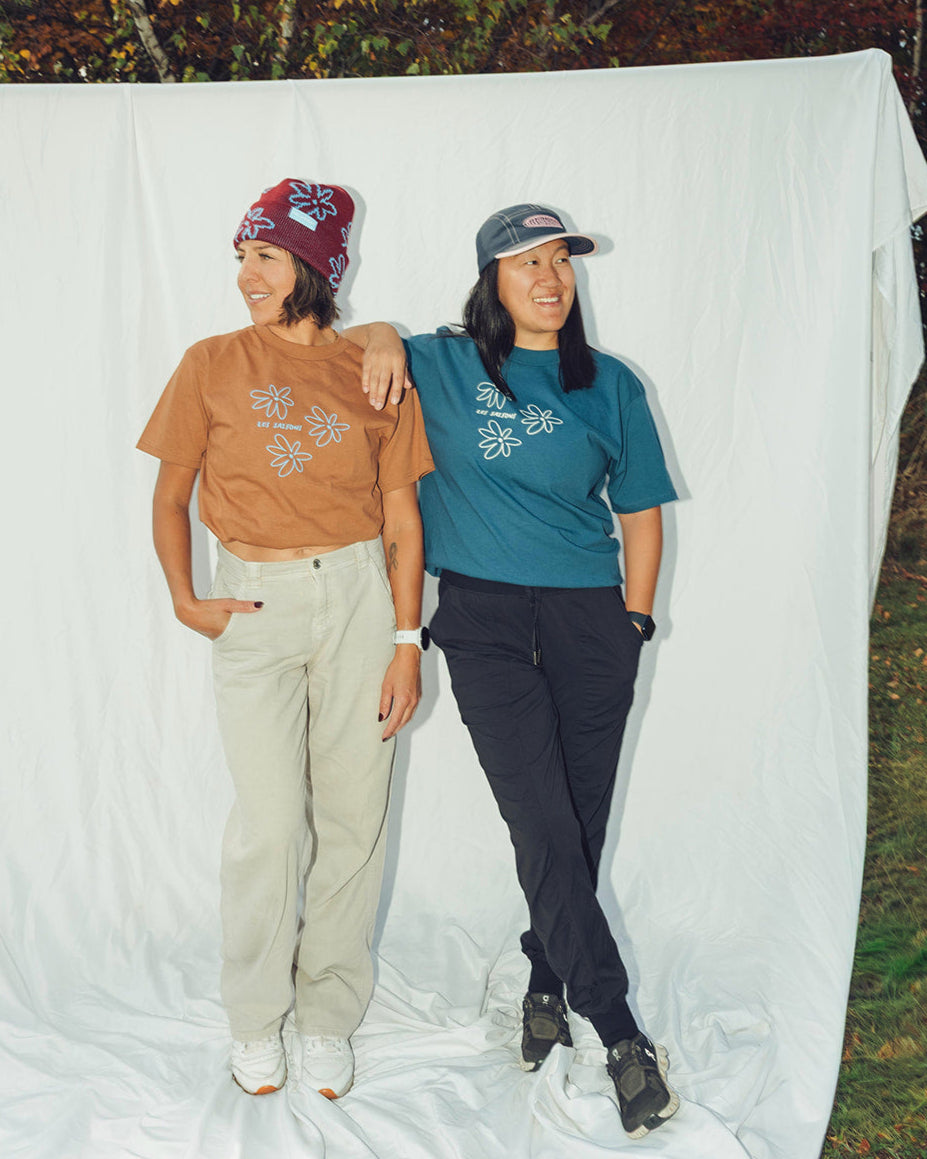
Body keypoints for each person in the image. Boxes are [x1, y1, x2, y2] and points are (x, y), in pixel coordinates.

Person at [349, 204, 679, 1139]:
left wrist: (635, 620)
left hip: (590, 620)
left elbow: (642, 509)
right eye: (526, 263)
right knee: (539, 818)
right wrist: (377, 335)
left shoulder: (609, 383)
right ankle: (616, 1029)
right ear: (490, 281)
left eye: (560, 263)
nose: (549, 279)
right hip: (484, 619)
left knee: (576, 822)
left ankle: (545, 977)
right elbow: (372, 339)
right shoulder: (448, 363)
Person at [137, 179, 433, 1101]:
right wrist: (186, 597)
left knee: (353, 821)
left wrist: (406, 639)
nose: (244, 276)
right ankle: (254, 1019)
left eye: (262, 256)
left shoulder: (373, 369)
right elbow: (169, 493)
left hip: (355, 596)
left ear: (313, 265)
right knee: (268, 830)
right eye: (241, 257)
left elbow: (401, 517)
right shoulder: (210, 362)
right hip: (254, 603)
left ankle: (328, 1017)